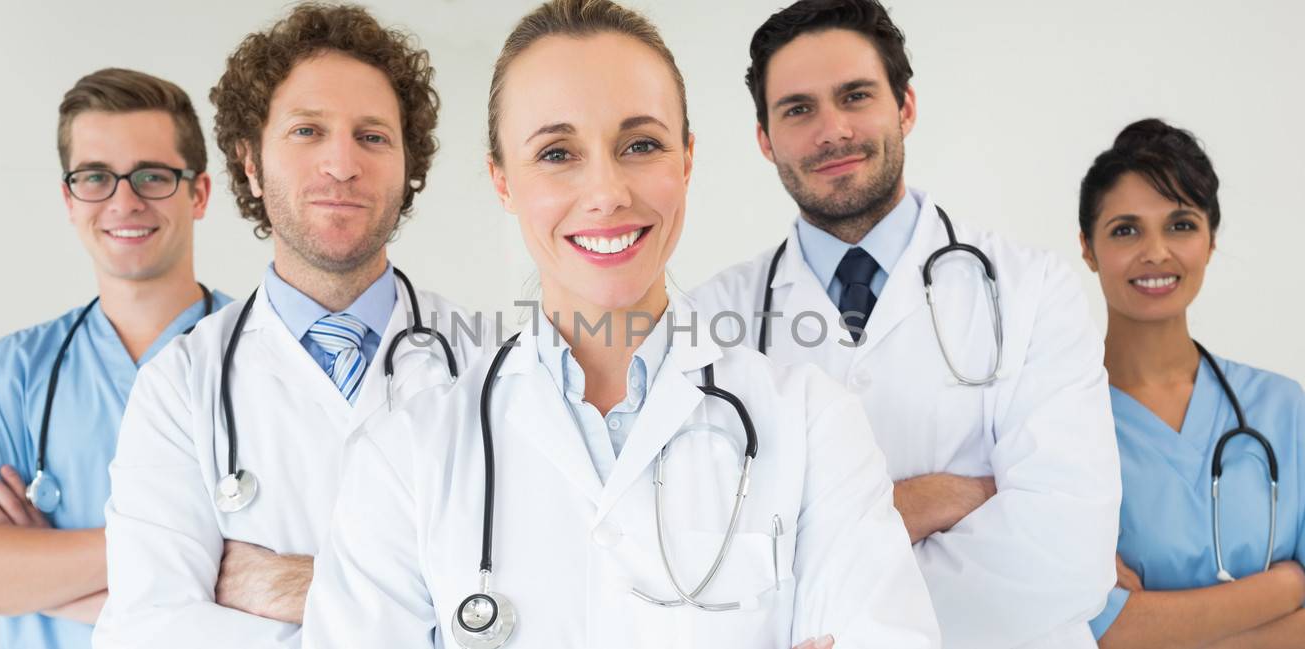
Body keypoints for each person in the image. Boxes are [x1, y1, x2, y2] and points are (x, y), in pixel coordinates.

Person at [302, 1, 940, 647]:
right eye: (556, 152)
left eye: (641, 144)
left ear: (686, 159)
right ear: (502, 181)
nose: (606, 192)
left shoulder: (813, 424)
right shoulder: (404, 453)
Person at [688, 1, 1121, 646]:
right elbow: (700, 562)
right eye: (798, 109)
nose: (832, 131)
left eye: (855, 96)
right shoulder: (710, 321)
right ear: (764, 138)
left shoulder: (1034, 290)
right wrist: (921, 503)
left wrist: (821, 565)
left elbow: (1068, 554)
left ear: (905, 108)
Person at [91, 4, 482, 647]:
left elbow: (539, 605)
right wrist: (426, 606)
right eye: (307, 131)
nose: (341, 164)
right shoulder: (180, 387)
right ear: (249, 160)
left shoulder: (489, 365)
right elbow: (146, 631)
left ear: (408, 164)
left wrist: (297, 588)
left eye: (373, 136)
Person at [0, 68, 232, 648]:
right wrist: (192, 552)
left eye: (152, 176)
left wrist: (36, 571)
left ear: (200, 193)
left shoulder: (265, 354)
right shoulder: (13, 373)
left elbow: (304, 573)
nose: (124, 201)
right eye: (95, 178)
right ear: (69, 198)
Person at [1077, 118, 1305, 648]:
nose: (1156, 252)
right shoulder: (1058, 420)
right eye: (1126, 229)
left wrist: (1158, 626)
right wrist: (1285, 587)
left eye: (1181, 225)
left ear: (1211, 241)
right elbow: (1101, 631)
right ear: (1087, 247)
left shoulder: (1282, 410)